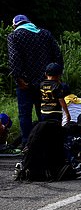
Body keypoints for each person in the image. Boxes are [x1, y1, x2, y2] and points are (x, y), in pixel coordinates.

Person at [7, 15, 63, 148]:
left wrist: (18, 78)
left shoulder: (14, 36)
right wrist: (56, 76)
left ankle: (27, 143)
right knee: (43, 112)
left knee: (25, 114)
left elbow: (14, 59)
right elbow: (58, 55)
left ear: (15, 25)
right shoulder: (45, 34)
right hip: (46, 81)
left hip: (25, 83)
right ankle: (44, 142)